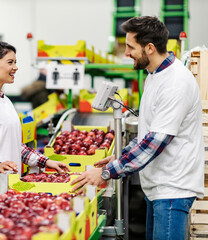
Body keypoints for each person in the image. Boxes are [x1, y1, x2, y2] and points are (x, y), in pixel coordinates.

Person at [71, 16, 204, 240]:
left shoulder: (176, 83)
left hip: (172, 189)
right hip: (158, 187)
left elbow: (155, 142)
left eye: (131, 47)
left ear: (150, 48)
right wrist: (119, 157)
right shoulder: (154, 76)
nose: (126, 53)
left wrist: (106, 173)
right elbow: (148, 132)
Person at [0, 40, 69, 194]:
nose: (15, 67)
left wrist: (46, 162)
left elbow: (14, 146)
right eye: (10, 62)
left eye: (15, 62)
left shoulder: (5, 101)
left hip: (8, 188)